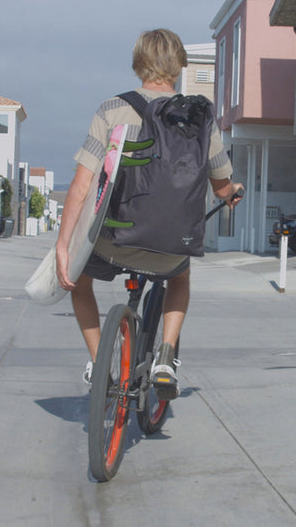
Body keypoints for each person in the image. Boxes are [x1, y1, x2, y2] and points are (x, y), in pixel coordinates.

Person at [56, 28, 242, 400]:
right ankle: (166, 357)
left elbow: (80, 185)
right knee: (181, 279)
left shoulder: (112, 109)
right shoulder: (201, 119)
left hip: (112, 243)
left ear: (138, 63)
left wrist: (63, 246)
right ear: (179, 65)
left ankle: (99, 362)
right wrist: (232, 192)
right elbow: (222, 185)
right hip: (171, 249)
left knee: (80, 285)